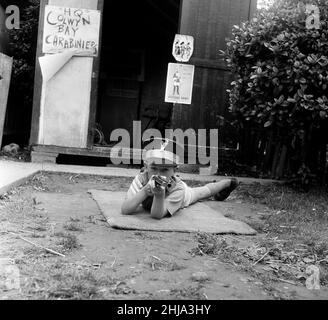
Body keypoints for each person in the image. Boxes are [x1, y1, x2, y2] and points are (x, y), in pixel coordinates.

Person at [121, 147, 239, 220]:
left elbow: (156, 215)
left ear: (174, 171)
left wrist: (159, 195)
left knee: (202, 192)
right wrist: (144, 191)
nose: (158, 174)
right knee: (202, 191)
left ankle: (226, 183)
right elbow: (125, 209)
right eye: (154, 168)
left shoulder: (178, 188)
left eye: (164, 170)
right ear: (146, 168)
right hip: (151, 189)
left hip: (184, 195)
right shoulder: (141, 178)